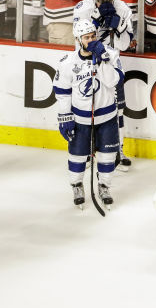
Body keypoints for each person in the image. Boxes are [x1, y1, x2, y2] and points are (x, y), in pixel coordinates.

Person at [53, 19, 123, 207]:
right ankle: (76, 184)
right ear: (78, 39)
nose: (91, 40)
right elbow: (62, 91)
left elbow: (113, 82)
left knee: (108, 156)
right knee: (77, 155)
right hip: (80, 118)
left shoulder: (111, 55)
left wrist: (104, 60)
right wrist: (64, 117)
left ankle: (104, 186)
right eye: (86, 37)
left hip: (107, 117)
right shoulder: (68, 63)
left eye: (93, 36)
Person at [73, 0, 134, 169]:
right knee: (93, 108)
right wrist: (94, 24)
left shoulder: (122, 8)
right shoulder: (82, 9)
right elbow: (79, 46)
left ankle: (119, 149)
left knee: (119, 109)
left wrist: (119, 26)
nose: (105, 1)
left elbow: (124, 45)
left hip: (111, 63)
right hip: (89, 65)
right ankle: (91, 151)